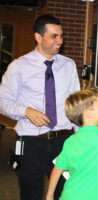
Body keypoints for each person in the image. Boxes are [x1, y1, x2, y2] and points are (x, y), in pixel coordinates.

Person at [0, 14, 80, 200]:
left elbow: (76, 105)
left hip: (63, 141)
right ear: (38, 37)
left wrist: (80, 137)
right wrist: (26, 111)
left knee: (66, 193)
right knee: (31, 194)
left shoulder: (68, 65)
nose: (59, 41)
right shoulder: (19, 67)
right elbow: (2, 100)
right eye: (54, 36)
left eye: (61, 36)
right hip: (31, 142)